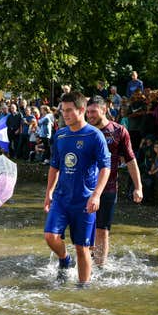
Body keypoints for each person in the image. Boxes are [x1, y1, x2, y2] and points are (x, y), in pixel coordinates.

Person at [43, 91, 111, 286]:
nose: (65, 114)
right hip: (62, 198)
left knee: (82, 248)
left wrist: (96, 195)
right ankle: (65, 259)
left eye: (69, 110)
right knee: (50, 236)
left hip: (85, 200)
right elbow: (54, 166)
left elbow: (106, 167)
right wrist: (49, 193)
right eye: (63, 110)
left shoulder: (94, 135)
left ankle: (83, 289)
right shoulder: (60, 135)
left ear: (81, 110)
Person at [86, 96, 143, 267]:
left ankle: (99, 268)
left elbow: (131, 161)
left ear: (104, 110)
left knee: (102, 230)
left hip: (109, 188)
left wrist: (138, 187)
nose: (90, 116)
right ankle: (85, 263)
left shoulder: (118, 131)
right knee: (85, 230)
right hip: (85, 188)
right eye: (87, 112)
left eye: (93, 112)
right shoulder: (83, 130)